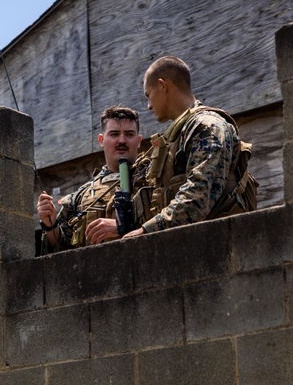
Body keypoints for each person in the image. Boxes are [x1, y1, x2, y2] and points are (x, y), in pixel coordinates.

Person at [123, 56, 256, 239]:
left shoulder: (208, 126)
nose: (148, 106)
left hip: (219, 243)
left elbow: (200, 192)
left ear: (163, 86)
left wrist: (148, 231)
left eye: (148, 95)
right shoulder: (178, 135)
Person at [36, 105, 143, 252]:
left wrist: (122, 226)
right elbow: (61, 250)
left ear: (138, 140)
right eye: (114, 134)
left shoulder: (154, 179)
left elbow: (173, 218)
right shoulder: (80, 197)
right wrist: (50, 224)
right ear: (101, 140)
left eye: (129, 134)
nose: (122, 140)